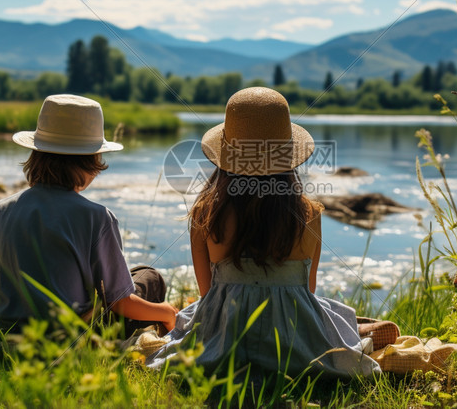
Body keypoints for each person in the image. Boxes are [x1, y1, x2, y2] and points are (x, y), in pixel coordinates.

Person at [147, 87, 380, 377]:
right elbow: (308, 290)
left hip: (226, 342)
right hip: (294, 346)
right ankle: (362, 328)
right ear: (288, 157)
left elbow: (208, 294)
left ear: (226, 156)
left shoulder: (205, 214)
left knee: (188, 318)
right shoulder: (312, 214)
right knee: (333, 315)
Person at [0, 94, 178, 337]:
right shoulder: (98, 217)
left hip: (7, 330)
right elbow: (120, 303)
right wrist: (166, 312)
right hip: (70, 337)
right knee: (149, 277)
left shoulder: (0, 210)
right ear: (91, 161)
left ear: (37, 154)